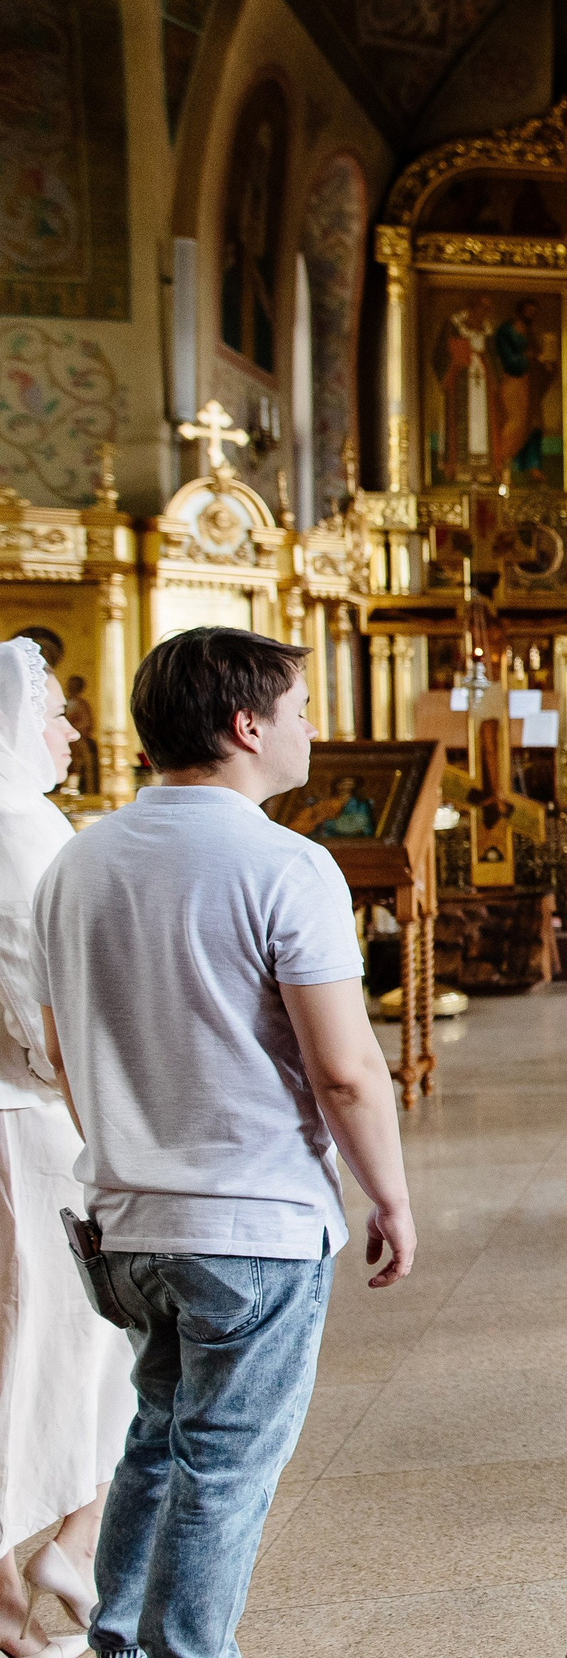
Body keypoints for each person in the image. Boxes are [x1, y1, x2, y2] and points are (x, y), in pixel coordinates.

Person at [34, 626, 416, 1658]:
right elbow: (342, 1068)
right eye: (299, 710)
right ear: (247, 726)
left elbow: (68, 1055)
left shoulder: (78, 862)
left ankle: (119, 1640)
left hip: (123, 1220)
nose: (314, 729)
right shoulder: (286, 864)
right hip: (251, 1222)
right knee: (226, 1465)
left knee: (157, 1440)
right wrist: (389, 1194)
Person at [0, 640, 131, 1655]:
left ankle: (63, 1552)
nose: (72, 725)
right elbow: (36, 1021)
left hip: (29, 1122)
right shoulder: (19, 827)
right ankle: (27, 1595)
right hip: (29, 1130)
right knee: (45, 1353)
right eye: (53, 707)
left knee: (74, 1352)